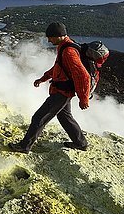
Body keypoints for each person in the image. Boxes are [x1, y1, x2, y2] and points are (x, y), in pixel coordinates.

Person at [9, 22, 90, 153]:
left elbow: (83, 75)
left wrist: (83, 98)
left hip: (62, 92)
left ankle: (24, 146)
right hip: (62, 90)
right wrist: (43, 79)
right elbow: (59, 68)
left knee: (39, 118)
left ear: (59, 36)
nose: (48, 40)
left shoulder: (69, 51)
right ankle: (80, 143)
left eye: (50, 37)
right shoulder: (64, 47)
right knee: (64, 116)